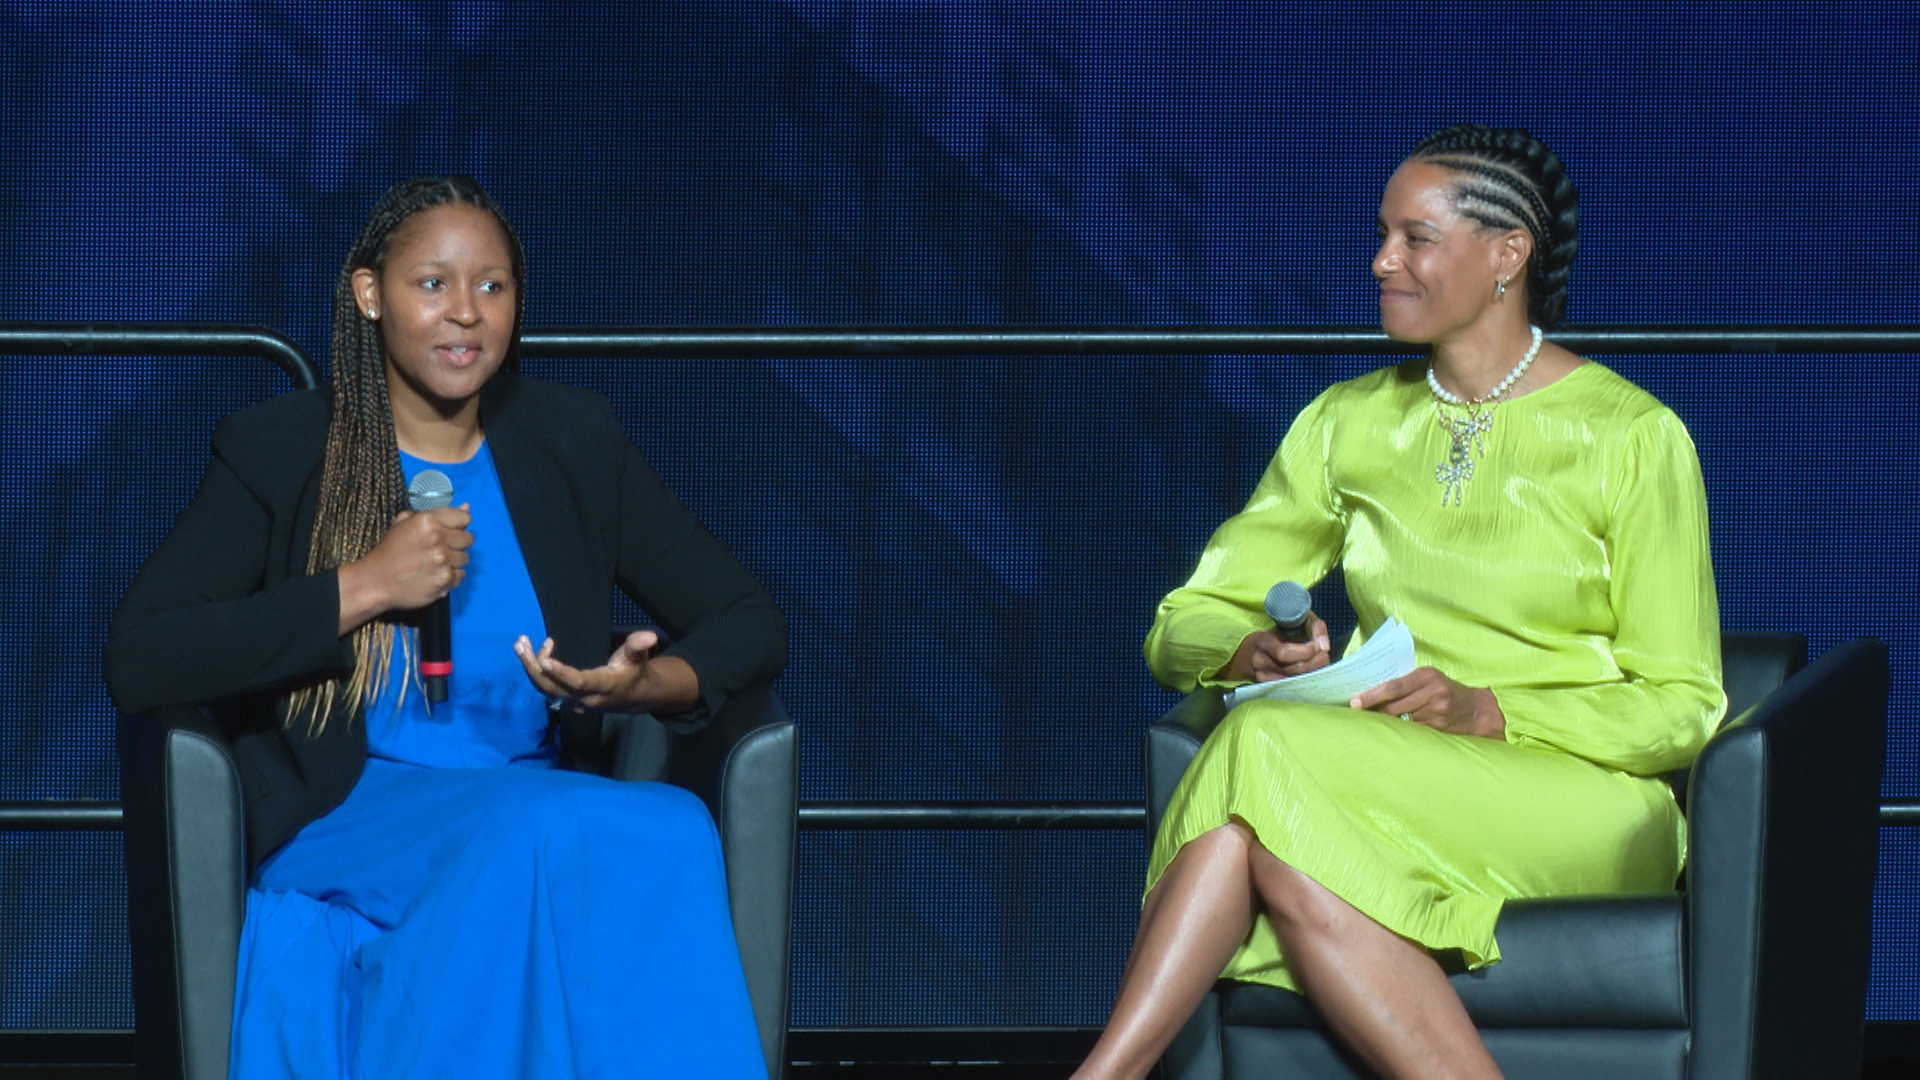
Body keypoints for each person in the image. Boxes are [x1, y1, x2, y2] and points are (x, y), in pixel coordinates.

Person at [1076, 126, 1723, 1080]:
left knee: (1257, 756)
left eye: (1415, 238)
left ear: (1508, 256)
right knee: (1284, 834)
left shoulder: (1633, 436)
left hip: (1584, 799)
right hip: (1384, 773)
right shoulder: (1347, 423)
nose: (1383, 261)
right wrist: (1247, 649)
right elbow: (1183, 621)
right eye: (1383, 235)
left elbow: (1685, 704)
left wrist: (1493, 710)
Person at [105, 176, 785, 1079]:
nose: (466, 314)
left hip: (524, 795)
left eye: (492, 287)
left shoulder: (571, 440)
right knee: (556, 832)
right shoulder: (280, 449)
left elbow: (748, 617)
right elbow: (142, 654)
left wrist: (646, 686)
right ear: (370, 293)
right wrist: (365, 585)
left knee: (664, 827)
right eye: (434, 284)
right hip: (356, 813)